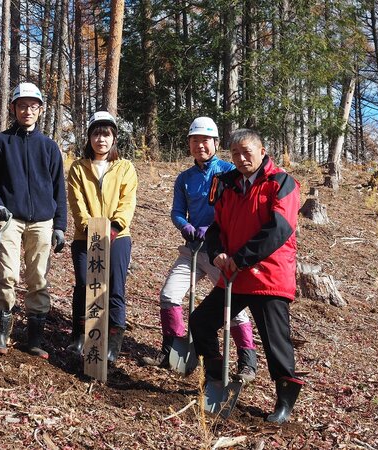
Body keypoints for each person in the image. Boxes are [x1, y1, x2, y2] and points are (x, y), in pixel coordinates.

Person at [190, 128, 304, 424]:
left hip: (268, 277)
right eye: (235, 154)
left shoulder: (281, 183)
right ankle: (216, 377)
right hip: (235, 276)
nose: (241, 159)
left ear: (262, 151)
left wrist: (240, 258)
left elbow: (279, 229)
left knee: (275, 343)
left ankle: (284, 402)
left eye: (247, 153)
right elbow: (217, 227)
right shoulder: (229, 185)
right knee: (201, 321)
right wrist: (217, 253)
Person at [141, 117, 257, 382]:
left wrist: (212, 226)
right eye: (195, 141)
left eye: (205, 141)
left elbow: (237, 211)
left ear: (215, 143)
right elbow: (177, 211)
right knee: (169, 294)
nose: (200, 146)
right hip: (192, 249)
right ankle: (172, 350)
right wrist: (185, 226)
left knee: (234, 307)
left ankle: (248, 361)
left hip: (221, 252)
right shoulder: (185, 178)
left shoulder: (230, 172)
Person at [0, 82, 67, 359]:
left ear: (40, 110)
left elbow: (59, 191)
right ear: (13, 108)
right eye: (22, 106)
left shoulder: (50, 147)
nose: (27, 111)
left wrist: (60, 226)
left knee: (38, 278)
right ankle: (2, 333)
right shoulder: (0, 142)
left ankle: (35, 339)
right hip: (9, 220)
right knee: (6, 274)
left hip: (42, 222)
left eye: (33, 106)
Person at [66, 110, 138, 364]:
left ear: (114, 138)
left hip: (119, 236)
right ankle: (80, 334)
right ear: (89, 138)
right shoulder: (78, 168)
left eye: (106, 134)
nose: (101, 139)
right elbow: (76, 203)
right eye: (96, 133)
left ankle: (114, 340)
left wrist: (115, 227)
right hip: (85, 237)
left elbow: (127, 201)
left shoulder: (125, 167)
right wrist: (89, 229)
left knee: (115, 287)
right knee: (85, 285)